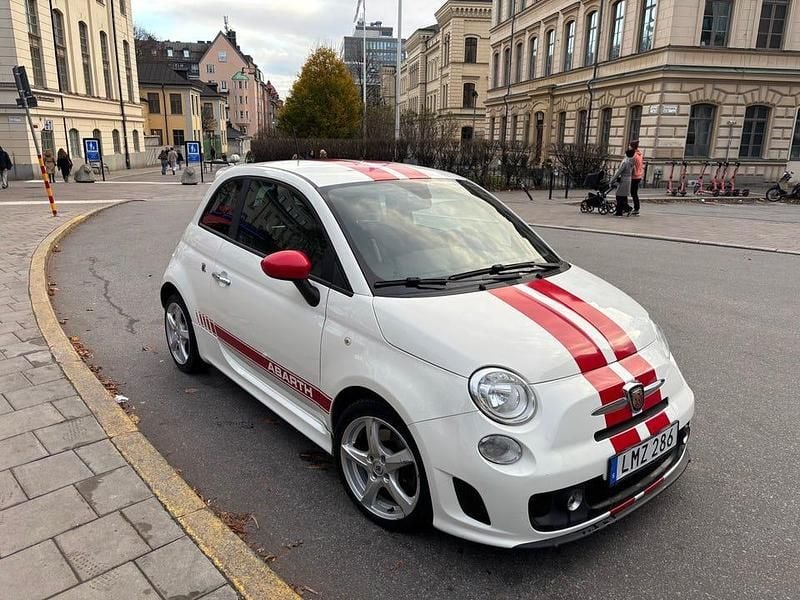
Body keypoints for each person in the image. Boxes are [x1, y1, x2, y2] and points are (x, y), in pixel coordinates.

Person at [611, 149, 635, 217]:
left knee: (618, 196)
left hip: (623, 180)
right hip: (629, 179)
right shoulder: (632, 161)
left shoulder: (625, 161)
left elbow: (619, 172)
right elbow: (634, 171)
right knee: (624, 196)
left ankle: (621, 211)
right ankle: (624, 210)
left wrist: (612, 180)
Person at [629, 140, 644, 216]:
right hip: (639, 175)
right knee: (634, 193)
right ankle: (636, 208)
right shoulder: (640, 154)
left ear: (632, 147)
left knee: (633, 193)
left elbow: (632, 166)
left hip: (634, 176)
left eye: (630, 145)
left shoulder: (634, 155)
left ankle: (636, 208)